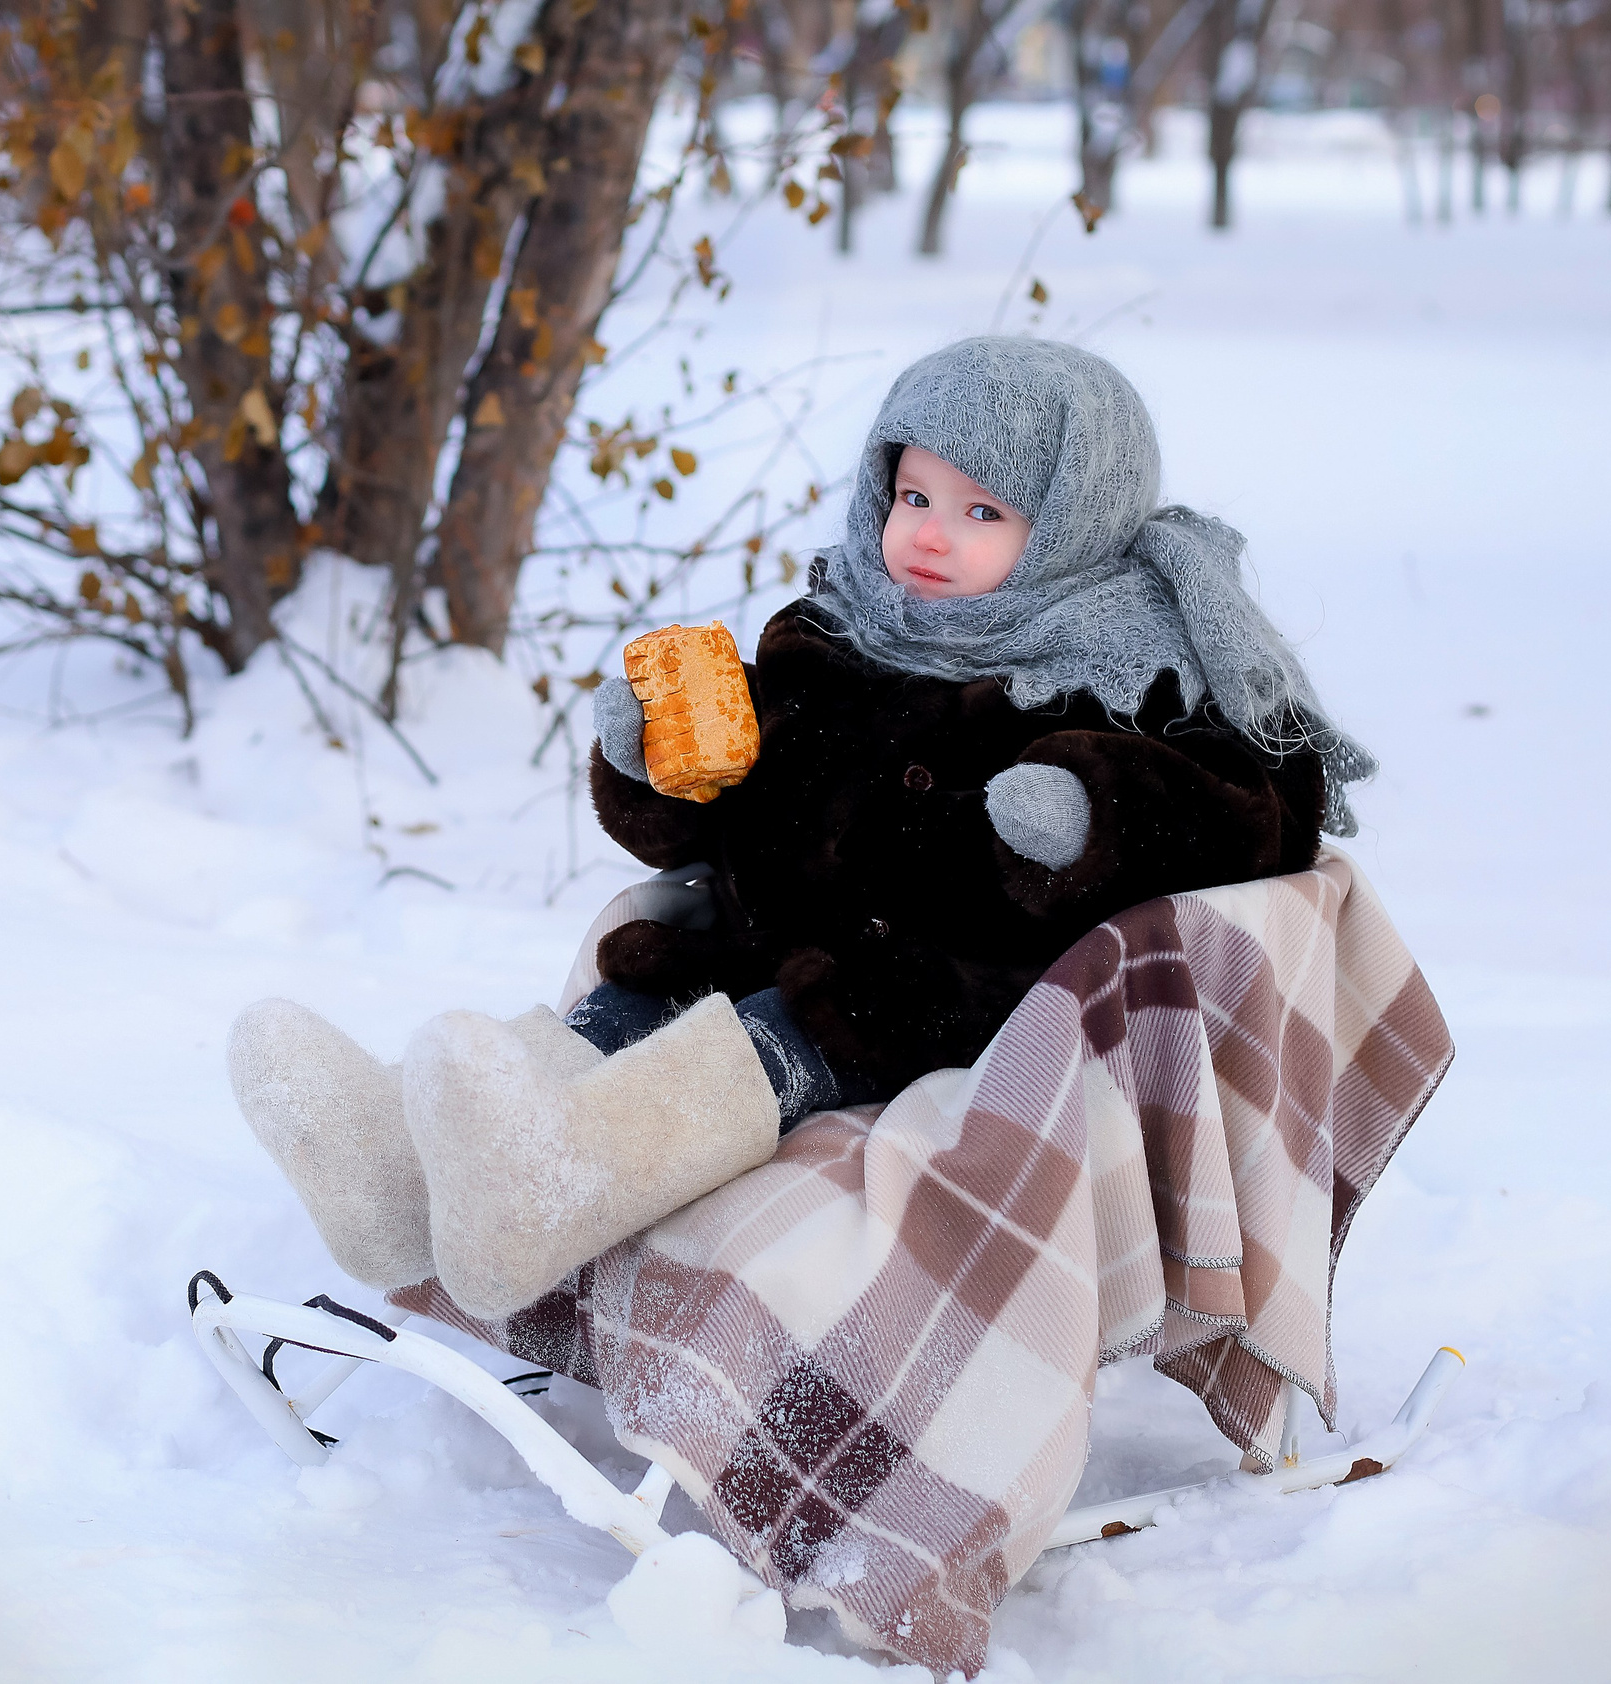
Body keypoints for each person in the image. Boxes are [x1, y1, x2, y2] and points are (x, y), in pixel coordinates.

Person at [227, 337, 1374, 1321]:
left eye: (981, 512)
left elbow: (1258, 815)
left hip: (932, 998)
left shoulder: (1130, 670)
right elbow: (733, 806)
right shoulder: (832, 633)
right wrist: (656, 764)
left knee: (764, 1036)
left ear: (1077, 520)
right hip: (752, 939)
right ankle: (398, 1185)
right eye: (914, 497)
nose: (930, 535)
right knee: (627, 1004)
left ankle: (548, 1193)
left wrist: (1094, 808)